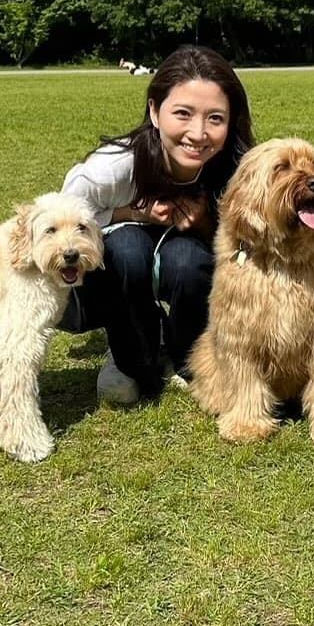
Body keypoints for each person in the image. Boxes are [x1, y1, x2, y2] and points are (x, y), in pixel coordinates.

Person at [60, 45, 254, 405]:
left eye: (215, 118)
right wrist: (131, 213)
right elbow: (64, 220)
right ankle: (129, 357)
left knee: (188, 262)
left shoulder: (239, 170)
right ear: (154, 110)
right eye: (183, 113)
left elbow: (250, 244)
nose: (198, 133)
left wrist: (205, 222)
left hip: (185, 251)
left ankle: (187, 354)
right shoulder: (113, 168)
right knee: (128, 252)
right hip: (120, 247)